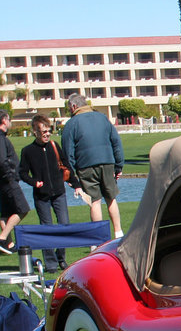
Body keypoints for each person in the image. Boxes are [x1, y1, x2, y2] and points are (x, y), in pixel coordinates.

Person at [18, 114, 83, 271]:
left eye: (48, 131)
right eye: (43, 131)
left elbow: (66, 166)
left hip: (59, 192)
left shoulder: (55, 146)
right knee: (46, 229)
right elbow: (22, 173)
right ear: (35, 132)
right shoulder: (28, 151)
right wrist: (34, 183)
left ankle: (61, 258)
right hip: (42, 196)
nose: (47, 134)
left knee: (64, 225)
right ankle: (51, 263)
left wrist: (76, 185)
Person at [62, 93, 125, 238]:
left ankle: (99, 237)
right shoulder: (102, 118)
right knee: (111, 198)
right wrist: (119, 165)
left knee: (95, 201)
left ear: (74, 106)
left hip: (85, 165)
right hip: (107, 162)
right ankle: (118, 233)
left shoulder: (72, 123)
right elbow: (116, 142)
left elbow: (68, 151)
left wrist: (71, 174)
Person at [0, 110, 32, 255]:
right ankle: (2, 237)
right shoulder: (1, 139)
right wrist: (11, 175)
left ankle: (8, 244)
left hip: (4, 181)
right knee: (22, 209)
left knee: (6, 212)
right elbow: (2, 160)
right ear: (4, 120)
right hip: (8, 180)